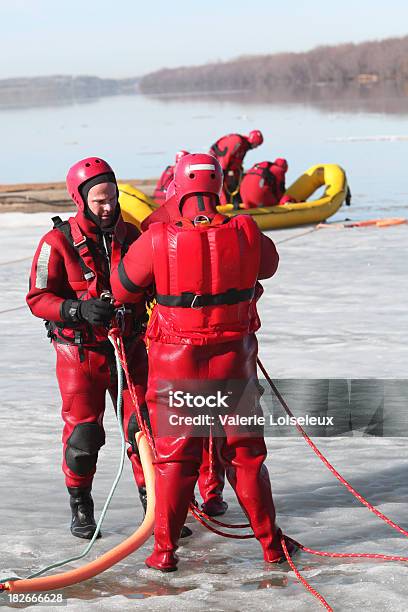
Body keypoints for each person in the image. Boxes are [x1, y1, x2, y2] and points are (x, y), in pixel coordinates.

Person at [111, 153, 296, 571]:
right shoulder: (245, 229)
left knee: (177, 460)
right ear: (218, 188)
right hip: (234, 362)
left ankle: (164, 553)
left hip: (179, 363)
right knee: (246, 456)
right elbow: (269, 265)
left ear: (178, 188)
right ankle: (270, 546)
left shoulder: (158, 237)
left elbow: (122, 289)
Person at [26, 157, 149, 540]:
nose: (109, 206)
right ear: (80, 201)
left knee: (142, 428)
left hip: (130, 350)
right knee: (84, 437)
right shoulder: (56, 242)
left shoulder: (133, 236)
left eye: (112, 197)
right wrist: (76, 308)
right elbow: (36, 298)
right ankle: (81, 505)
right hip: (81, 356)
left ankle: (155, 504)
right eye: (99, 201)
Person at [209, 131, 263, 205]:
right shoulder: (237, 141)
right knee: (221, 182)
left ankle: (235, 203)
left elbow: (236, 161)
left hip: (225, 166)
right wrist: (223, 170)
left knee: (235, 181)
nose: (256, 147)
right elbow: (224, 157)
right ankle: (224, 205)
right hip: (219, 165)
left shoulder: (244, 145)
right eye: (256, 144)